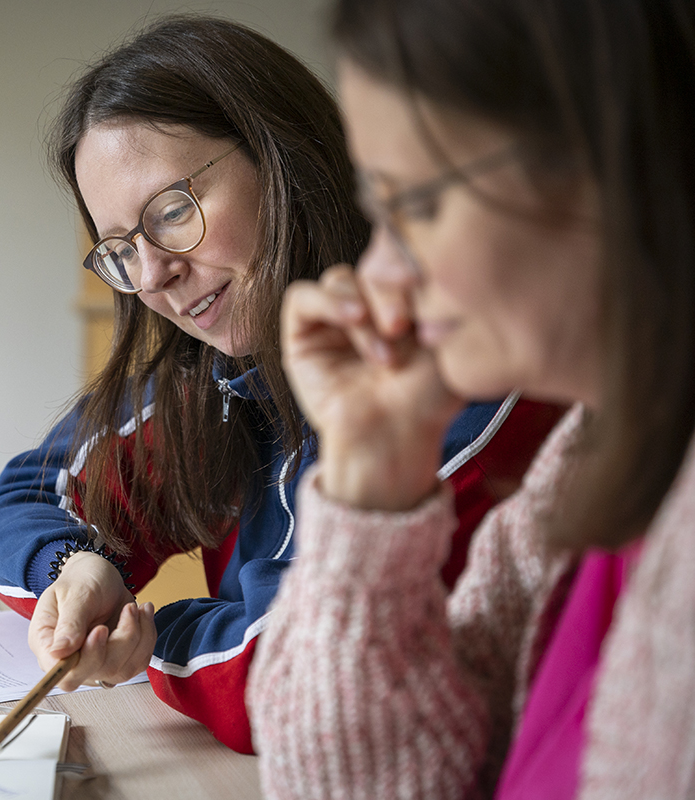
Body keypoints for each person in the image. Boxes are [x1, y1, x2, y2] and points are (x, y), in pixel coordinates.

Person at [0, 14, 563, 755]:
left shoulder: (460, 384)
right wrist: (79, 570)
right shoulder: (219, 378)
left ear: (283, 153)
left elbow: (298, 674)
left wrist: (148, 633)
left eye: (174, 212)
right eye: (121, 250)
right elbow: (22, 497)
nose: (153, 276)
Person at [248, 0, 695, 796]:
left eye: (412, 204)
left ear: (614, 153)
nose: (379, 274)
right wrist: (373, 463)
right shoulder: (592, 448)